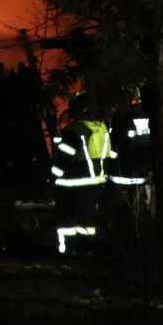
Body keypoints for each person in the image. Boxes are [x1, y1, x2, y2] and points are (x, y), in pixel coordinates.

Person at [51, 92, 110, 255]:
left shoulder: (75, 130)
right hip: (96, 182)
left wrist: (53, 178)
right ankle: (87, 251)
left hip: (72, 182)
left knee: (67, 218)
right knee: (87, 219)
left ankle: (67, 252)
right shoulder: (102, 127)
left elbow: (63, 159)